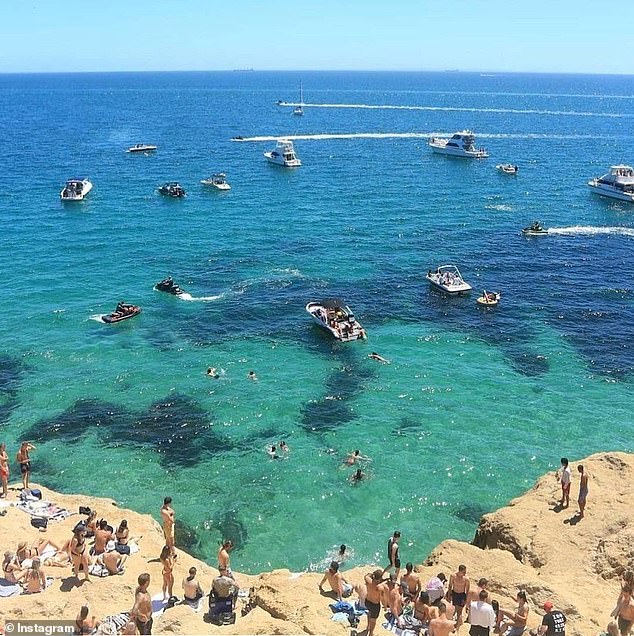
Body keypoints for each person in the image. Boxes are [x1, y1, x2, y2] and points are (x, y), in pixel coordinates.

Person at [447, 564, 470, 630]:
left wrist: (466, 599)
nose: (465, 573)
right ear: (460, 571)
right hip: (454, 594)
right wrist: (449, 596)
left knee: (459, 612)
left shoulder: (466, 579)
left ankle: (457, 627)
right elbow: (450, 586)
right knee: (454, 609)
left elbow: (467, 589)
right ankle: (455, 624)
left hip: (462, 595)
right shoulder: (453, 576)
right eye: (464, 572)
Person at [364, 570, 385, 636]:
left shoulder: (368, 580)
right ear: (380, 578)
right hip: (375, 605)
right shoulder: (380, 588)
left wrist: (372, 574)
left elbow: (366, 575)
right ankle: (371, 633)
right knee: (373, 620)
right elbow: (382, 598)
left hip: (367, 601)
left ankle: (368, 627)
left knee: (369, 614)